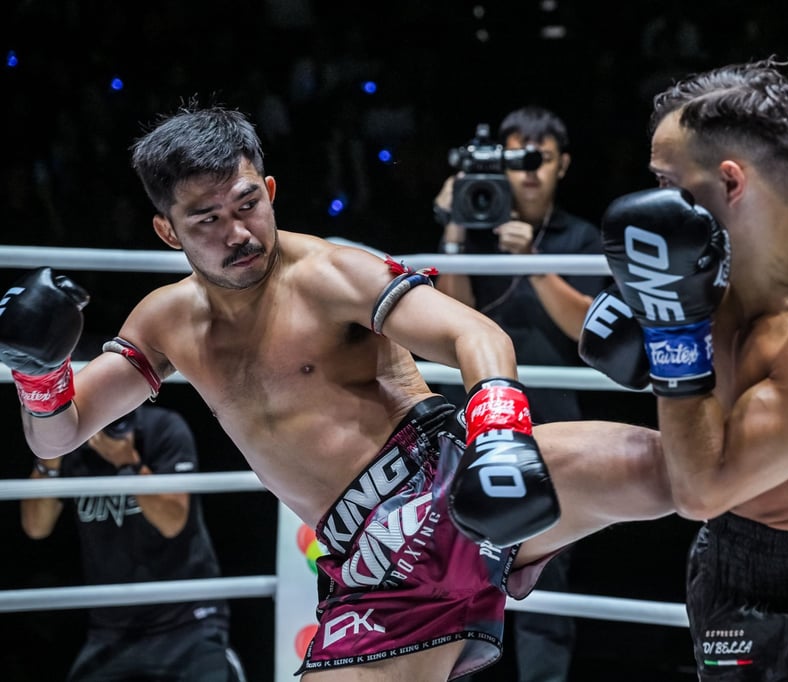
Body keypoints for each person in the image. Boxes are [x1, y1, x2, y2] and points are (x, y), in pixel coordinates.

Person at [0, 103, 678, 682]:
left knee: (678, 469)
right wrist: (40, 372)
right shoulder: (165, 322)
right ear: (166, 230)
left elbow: (478, 338)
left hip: (450, 474)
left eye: (247, 205)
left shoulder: (331, 273)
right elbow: (58, 434)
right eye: (205, 220)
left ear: (269, 188)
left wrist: (501, 439)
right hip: (373, 563)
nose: (237, 233)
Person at [579, 56, 788, 680]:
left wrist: (671, 333)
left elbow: (700, 491)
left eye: (669, 181)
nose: (655, 201)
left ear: (731, 183)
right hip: (721, 565)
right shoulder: (722, 264)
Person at [433, 105, 606, 681]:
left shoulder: (581, 237)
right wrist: (456, 233)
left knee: (544, 591)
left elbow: (588, 330)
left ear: (563, 166)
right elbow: (454, 319)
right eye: (517, 160)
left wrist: (532, 262)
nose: (528, 173)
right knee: (454, 583)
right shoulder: (475, 226)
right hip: (480, 427)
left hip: (554, 431)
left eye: (541, 160)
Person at [20, 396, 246, 682]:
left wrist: (128, 463)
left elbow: (173, 521)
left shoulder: (163, 428)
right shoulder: (72, 443)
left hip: (188, 620)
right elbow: (36, 527)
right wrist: (48, 457)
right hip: (111, 630)